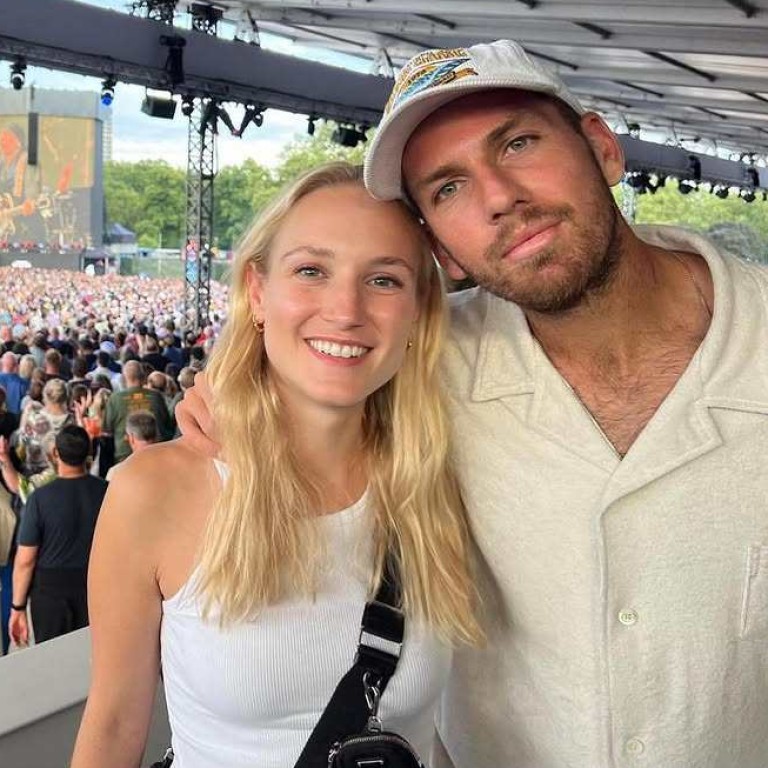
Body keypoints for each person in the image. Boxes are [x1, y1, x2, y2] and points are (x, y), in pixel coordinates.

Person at [178, 40, 768, 768]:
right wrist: (222, 393)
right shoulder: (426, 365)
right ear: (444, 252)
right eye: (448, 188)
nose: (498, 198)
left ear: (603, 148)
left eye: (518, 143)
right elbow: (307, 353)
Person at [71, 162, 480, 768]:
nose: (345, 310)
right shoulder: (152, 491)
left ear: (420, 309)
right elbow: (111, 728)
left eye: (385, 280)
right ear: (258, 293)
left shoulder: (443, 477)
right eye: (311, 270)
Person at [9, 425, 107, 646]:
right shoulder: (107, 492)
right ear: (87, 451)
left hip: (50, 594)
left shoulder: (40, 499)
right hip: (95, 588)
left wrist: (18, 607)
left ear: (56, 454)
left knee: (53, 663)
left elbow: (25, 560)